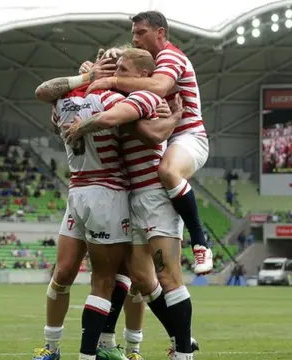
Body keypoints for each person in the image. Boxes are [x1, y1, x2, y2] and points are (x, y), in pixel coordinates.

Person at [32, 48, 176, 360]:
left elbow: (47, 95)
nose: (111, 68)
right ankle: (68, 348)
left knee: (104, 275)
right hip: (95, 191)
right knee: (91, 274)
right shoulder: (93, 97)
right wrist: (88, 78)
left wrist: (170, 114)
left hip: (95, 192)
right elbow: (45, 92)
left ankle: (106, 347)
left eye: (117, 64)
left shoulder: (89, 101)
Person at [65, 48, 198, 360]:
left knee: (165, 277)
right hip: (127, 195)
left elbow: (148, 133)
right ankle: (164, 341)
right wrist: (89, 75)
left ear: (142, 76)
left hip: (153, 195)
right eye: (116, 68)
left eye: (123, 69)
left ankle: (180, 352)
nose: (117, 74)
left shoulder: (146, 97)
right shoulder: (119, 94)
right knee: (138, 277)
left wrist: (176, 116)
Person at [82, 10, 213, 275]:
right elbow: (114, 72)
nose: (135, 39)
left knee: (168, 171)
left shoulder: (170, 56)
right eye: (133, 33)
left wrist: (113, 80)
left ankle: (200, 242)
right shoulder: (143, 64)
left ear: (160, 33)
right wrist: (90, 74)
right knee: (139, 279)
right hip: (162, 139)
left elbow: (161, 86)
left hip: (188, 137)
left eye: (141, 33)